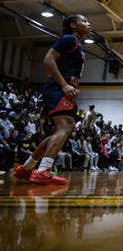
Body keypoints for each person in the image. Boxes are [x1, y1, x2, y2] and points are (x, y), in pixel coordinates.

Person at [13, 14, 92, 185]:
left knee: (60, 131)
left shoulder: (77, 44)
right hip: (57, 88)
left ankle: (26, 168)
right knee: (66, 126)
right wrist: (64, 85)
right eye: (84, 21)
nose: (89, 23)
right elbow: (48, 59)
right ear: (73, 24)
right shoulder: (69, 39)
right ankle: (43, 170)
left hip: (62, 89)